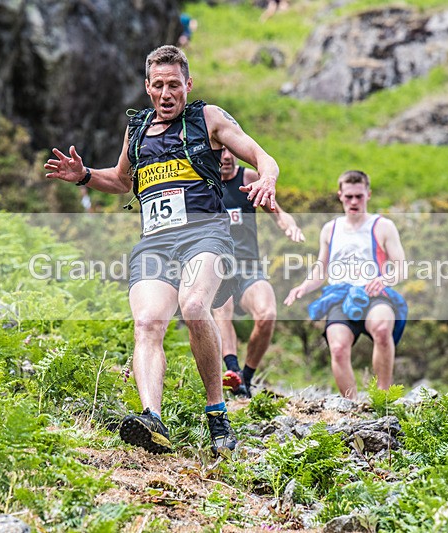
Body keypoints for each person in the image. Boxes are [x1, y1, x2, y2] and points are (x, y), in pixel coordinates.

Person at [44, 45, 279, 455]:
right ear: (147, 87)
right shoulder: (136, 131)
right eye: (158, 85)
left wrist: (268, 179)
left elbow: (261, 155)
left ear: (188, 85)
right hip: (155, 242)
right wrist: (84, 176)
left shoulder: (208, 119)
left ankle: (217, 414)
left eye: (174, 85)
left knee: (192, 306)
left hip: (206, 234)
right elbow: (120, 181)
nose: (166, 93)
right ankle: (152, 419)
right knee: (148, 322)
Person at [284, 170, 407, 400]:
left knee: (382, 329)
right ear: (340, 195)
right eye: (348, 196)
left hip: (374, 293)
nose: (353, 201)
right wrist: (303, 287)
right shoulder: (330, 229)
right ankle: (352, 407)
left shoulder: (383, 226)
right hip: (340, 296)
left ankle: (383, 399)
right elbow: (321, 269)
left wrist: (384, 279)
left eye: (359, 196)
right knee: (338, 348)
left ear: (368, 195)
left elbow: (401, 267)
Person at [213, 148, 304, 398]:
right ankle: (231, 372)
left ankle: (246, 377)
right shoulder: (202, 183)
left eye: (231, 151)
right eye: (220, 152)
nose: (227, 157)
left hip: (249, 266)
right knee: (222, 308)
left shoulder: (248, 179)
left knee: (267, 314)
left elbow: (278, 213)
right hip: (216, 266)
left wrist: (290, 226)